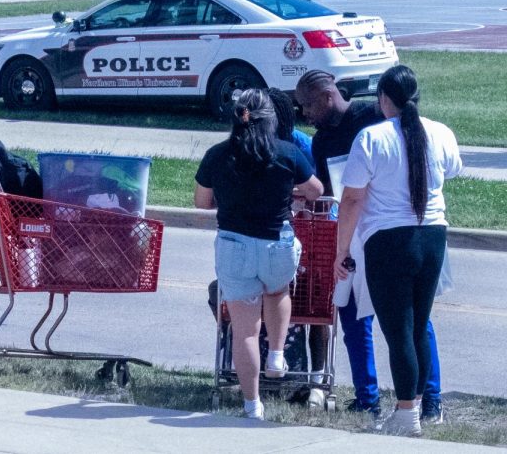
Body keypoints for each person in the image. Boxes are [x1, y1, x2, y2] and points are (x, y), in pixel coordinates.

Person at [295, 69, 445, 423]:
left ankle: (430, 399)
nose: (304, 114)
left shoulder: (375, 120)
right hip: (353, 232)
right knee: (353, 316)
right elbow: (335, 197)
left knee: (414, 321)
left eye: (307, 105)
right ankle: (368, 397)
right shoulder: (321, 141)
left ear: (327, 97)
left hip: (387, 231)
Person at [335, 65, 461, 437]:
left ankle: (407, 413)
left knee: (398, 331)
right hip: (433, 236)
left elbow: (353, 199)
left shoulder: (371, 137)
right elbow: (452, 170)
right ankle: (417, 407)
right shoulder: (440, 132)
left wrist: (342, 250)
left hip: (389, 241)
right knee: (418, 326)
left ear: (383, 100)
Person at [194, 88, 322, 420]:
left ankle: (252, 406)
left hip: (234, 245)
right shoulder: (287, 152)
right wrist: (290, 190)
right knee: (278, 291)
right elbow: (316, 190)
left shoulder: (217, 155)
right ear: (271, 120)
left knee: (244, 329)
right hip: (276, 243)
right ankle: (277, 355)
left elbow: (202, 201)